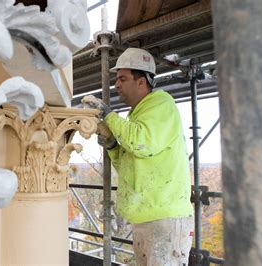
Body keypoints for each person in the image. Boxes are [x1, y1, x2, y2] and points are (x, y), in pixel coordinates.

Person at [85, 48, 194, 265]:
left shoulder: (161, 104)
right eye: (116, 79)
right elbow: (128, 164)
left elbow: (140, 142)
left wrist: (108, 115)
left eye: (122, 78)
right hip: (147, 218)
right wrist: (112, 144)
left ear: (141, 81)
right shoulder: (137, 115)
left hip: (165, 218)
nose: (117, 85)